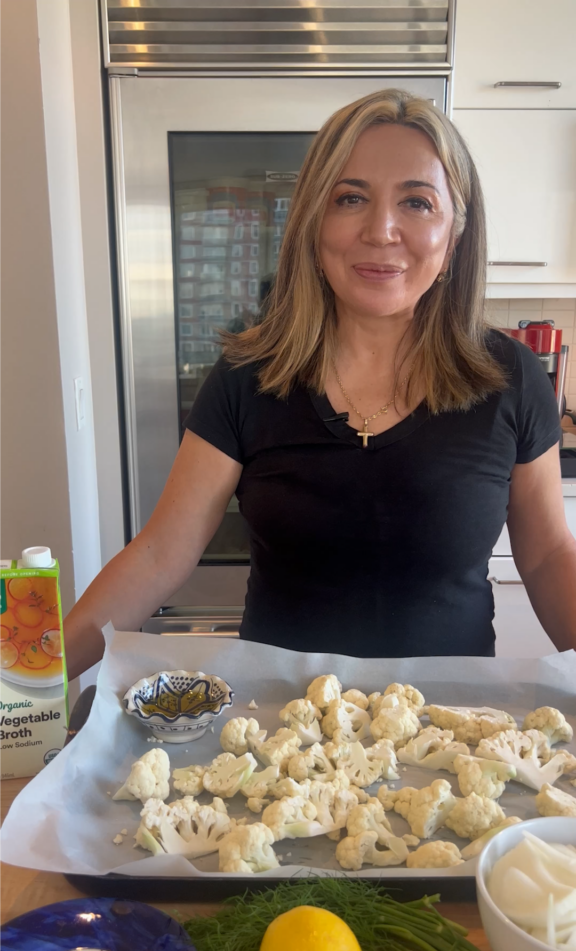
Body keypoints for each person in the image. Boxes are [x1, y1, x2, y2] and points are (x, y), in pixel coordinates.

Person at [64, 89, 576, 677]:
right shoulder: (246, 379)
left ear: (454, 237)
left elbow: (546, 557)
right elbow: (159, 556)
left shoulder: (511, 379)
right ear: (312, 222)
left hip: (447, 739)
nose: (382, 231)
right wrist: (28, 687)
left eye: (417, 202)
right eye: (350, 197)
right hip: (282, 741)